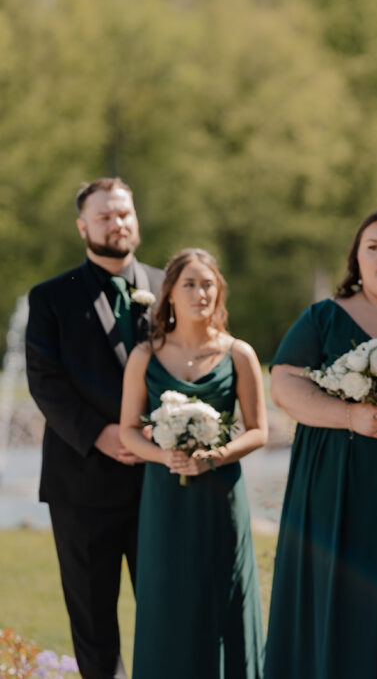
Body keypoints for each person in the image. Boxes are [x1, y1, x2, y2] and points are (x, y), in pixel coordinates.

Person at [263, 208, 377, 679]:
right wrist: (350, 416)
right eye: (373, 247)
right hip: (336, 484)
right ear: (356, 258)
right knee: (339, 594)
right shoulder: (324, 317)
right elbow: (284, 385)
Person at [26, 178, 163, 679]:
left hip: (160, 479)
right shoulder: (50, 298)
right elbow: (45, 382)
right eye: (104, 216)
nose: (116, 223)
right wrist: (104, 436)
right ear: (83, 227)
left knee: (167, 610)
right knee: (93, 623)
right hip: (82, 483)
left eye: (123, 213)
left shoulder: (172, 286)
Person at [118, 248, 266, 678]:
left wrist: (216, 456)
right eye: (189, 284)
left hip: (221, 497)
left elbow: (258, 430)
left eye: (208, 284)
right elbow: (128, 429)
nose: (200, 293)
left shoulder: (239, 354)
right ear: (169, 293)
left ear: (219, 291)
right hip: (165, 497)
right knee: (168, 599)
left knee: (223, 597)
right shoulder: (145, 355)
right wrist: (164, 455)